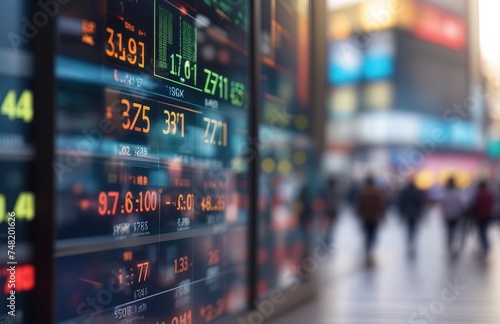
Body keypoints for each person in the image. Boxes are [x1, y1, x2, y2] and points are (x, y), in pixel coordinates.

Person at [356, 175, 385, 264]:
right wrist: (382, 215)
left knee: (367, 234)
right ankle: (370, 250)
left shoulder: (363, 191)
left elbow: (360, 205)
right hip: (374, 217)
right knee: (373, 234)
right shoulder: (376, 191)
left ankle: (367, 249)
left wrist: (359, 214)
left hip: (366, 217)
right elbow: (380, 204)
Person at [398, 178, 425, 257]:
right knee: (414, 229)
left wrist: (401, 213)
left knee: (408, 229)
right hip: (415, 213)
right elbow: (421, 204)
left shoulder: (405, 191)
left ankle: (409, 242)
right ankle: (412, 242)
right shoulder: (418, 191)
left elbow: (401, 203)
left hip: (407, 213)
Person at [439, 177, 466, 256]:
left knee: (448, 231)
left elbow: (442, 206)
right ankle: (452, 244)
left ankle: (449, 245)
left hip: (448, 216)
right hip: (456, 215)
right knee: (454, 230)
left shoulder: (445, 193)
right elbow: (462, 204)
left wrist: (443, 214)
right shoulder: (457, 193)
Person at [471, 180, 494, 256]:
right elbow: (492, 204)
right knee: (484, 231)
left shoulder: (478, 195)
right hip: (487, 216)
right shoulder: (489, 194)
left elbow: (474, 206)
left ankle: (485, 246)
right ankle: (485, 246)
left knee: (481, 232)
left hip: (479, 216)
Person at [322, 177, 340, 244]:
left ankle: (326, 238)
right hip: (333, 211)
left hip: (326, 211)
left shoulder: (325, 190)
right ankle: (329, 239)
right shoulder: (336, 191)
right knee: (331, 227)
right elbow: (337, 202)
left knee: (327, 227)